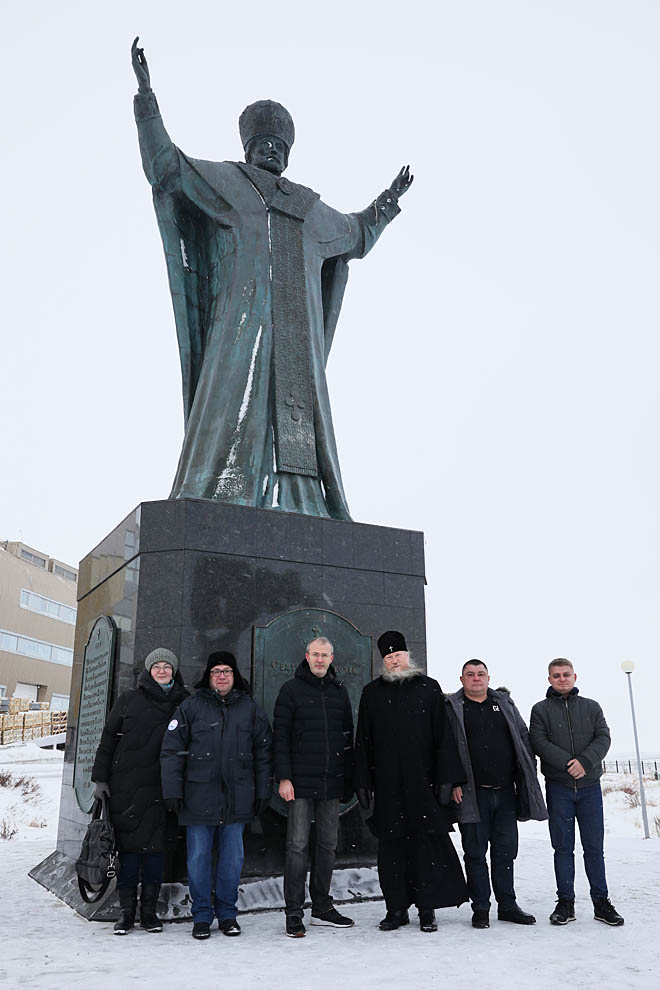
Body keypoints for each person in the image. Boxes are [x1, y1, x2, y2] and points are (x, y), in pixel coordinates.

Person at [131, 38, 413, 520]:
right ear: (248, 145)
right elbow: (166, 167)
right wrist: (147, 99)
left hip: (295, 347)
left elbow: (358, 233)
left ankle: (300, 502)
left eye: (280, 146)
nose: (272, 150)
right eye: (264, 142)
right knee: (229, 412)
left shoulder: (310, 210)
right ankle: (220, 491)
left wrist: (388, 201)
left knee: (297, 425)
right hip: (240, 333)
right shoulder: (227, 182)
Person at [354, 631, 468, 933]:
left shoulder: (429, 689)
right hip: (388, 786)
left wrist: (449, 780)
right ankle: (396, 909)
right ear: (384, 661)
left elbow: (445, 738)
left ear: (408, 656)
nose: (395, 660)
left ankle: (426, 909)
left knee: (424, 847)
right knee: (391, 850)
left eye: (398, 655)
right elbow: (363, 740)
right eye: (389, 657)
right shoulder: (372, 692)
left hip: (424, 784)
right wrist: (362, 780)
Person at [160, 650, 273, 939]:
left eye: (227, 671)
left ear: (235, 676)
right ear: (208, 677)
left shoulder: (249, 708)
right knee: (198, 858)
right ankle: (201, 915)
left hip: (237, 799)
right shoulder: (190, 706)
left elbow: (263, 753)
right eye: (216, 671)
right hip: (198, 797)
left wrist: (262, 791)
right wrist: (173, 790)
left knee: (232, 860)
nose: (222, 676)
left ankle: (227, 914)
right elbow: (172, 751)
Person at [92, 647, 188, 935]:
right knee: (129, 853)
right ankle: (126, 913)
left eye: (167, 666)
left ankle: (149, 913)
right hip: (127, 788)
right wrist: (101, 780)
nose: (162, 670)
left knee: (156, 853)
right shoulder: (128, 700)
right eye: (156, 666)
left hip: (164, 788)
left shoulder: (184, 702)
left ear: (174, 671)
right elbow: (107, 740)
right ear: (148, 671)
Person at [445, 659, 547, 929]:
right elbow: (445, 749)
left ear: (489, 678)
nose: (476, 678)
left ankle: (508, 905)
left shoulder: (504, 704)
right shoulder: (453, 708)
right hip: (471, 795)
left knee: (505, 852)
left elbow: (523, 739)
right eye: (470, 674)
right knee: (475, 853)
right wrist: (452, 782)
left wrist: (526, 775)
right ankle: (480, 908)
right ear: (461, 679)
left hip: (505, 794)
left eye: (481, 674)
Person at [529, 658, 624, 926]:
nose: (562, 679)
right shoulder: (540, 710)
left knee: (594, 847)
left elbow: (603, 737)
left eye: (566, 674)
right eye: (556, 675)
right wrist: (568, 764)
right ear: (549, 679)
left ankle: (601, 902)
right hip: (559, 788)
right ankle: (565, 903)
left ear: (575, 676)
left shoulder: (592, 708)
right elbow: (538, 741)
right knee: (562, 847)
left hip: (590, 788)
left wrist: (585, 762)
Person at [273, 636, 354, 938]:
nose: (320, 660)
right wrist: (284, 777)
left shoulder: (339, 692)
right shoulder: (290, 690)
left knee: (328, 846)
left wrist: (348, 778)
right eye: (315, 654)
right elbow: (280, 736)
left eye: (325, 655)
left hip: (331, 783)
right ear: (306, 656)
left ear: (332, 658)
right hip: (299, 784)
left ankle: (322, 906)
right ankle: (294, 912)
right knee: (297, 847)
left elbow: (348, 737)